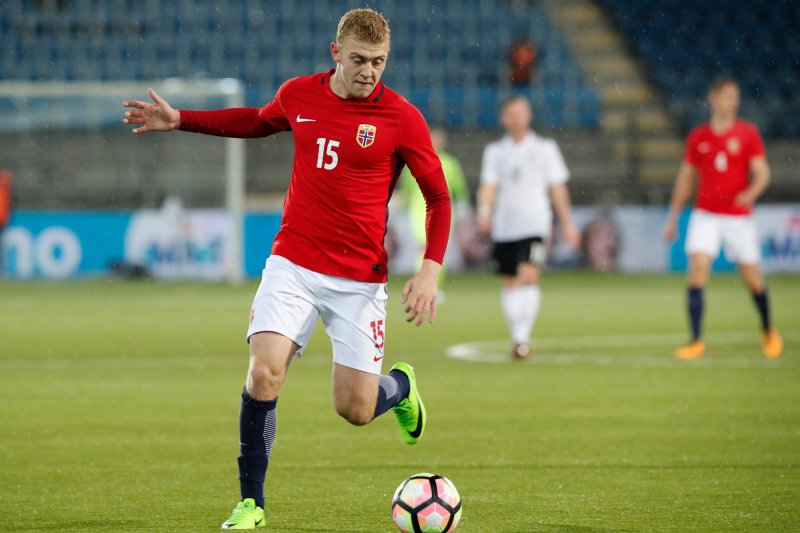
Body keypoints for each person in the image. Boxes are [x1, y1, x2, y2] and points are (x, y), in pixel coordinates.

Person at [123, 9, 451, 530]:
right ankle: (252, 503)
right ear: (335, 53)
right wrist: (182, 119)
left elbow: (438, 196)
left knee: (356, 409)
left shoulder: (401, 118)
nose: (369, 72)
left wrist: (431, 267)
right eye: (360, 60)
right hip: (294, 263)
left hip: (359, 281)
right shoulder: (300, 95)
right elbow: (255, 121)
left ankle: (401, 389)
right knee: (265, 371)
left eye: (379, 62)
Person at [663, 77, 782, 360]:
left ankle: (768, 331)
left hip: (738, 217)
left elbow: (763, 173)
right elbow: (686, 179)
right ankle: (695, 341)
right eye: (728, 96)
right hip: (705, 214)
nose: (733, 102)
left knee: (752, 278)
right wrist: (673, 218)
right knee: (697, 270)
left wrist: (750, 194)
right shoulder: (698, 137)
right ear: (713, 98)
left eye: (735, 97)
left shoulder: (747, 134)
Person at [477, 96, 579, 360]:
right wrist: (485, 213)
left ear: (529, 116)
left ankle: (522, 339)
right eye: (511, 113)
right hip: (505, 225)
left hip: (535, 222)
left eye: (521, 113)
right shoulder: (495, 152)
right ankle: (518, 338)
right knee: (511, 280)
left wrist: (567, 222)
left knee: (530, 274)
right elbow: (488, 186)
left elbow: (557, 187)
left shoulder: (545, 148)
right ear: (503, 118)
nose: (516, 118)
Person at [397, 126, 471, 289]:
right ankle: (422, 283)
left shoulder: (450, 163)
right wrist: (404, 208)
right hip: (418, 210)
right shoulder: (416, 160)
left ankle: (433, 285)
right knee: (423, 248)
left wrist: (463, 205)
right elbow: (407, 188)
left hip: (443, 210)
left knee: (438, 249)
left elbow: (459, 187)